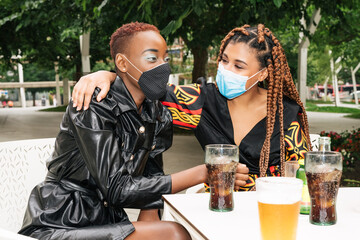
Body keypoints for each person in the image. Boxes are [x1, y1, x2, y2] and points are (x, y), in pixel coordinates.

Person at [18, 22, 220, 240]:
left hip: (107, 222)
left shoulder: (155, 112)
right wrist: (202, 174)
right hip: (60, 222)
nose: (163, 67)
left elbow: (151, 181)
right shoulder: (93, 104)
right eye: (152, 58)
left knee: (172, 231)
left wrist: (151, 222)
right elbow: (117, 188)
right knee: (173, 233)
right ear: (123, 63)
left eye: (165, 59)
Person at [72, 24, 310, 191]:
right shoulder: (200, 101)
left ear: (263, 74)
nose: (226, 70)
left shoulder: (286, 115)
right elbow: (146, 87)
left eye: (238, 66)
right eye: (224, 60)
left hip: (270, 208)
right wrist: (110, 75)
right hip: (214, 204)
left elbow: (301, 177)